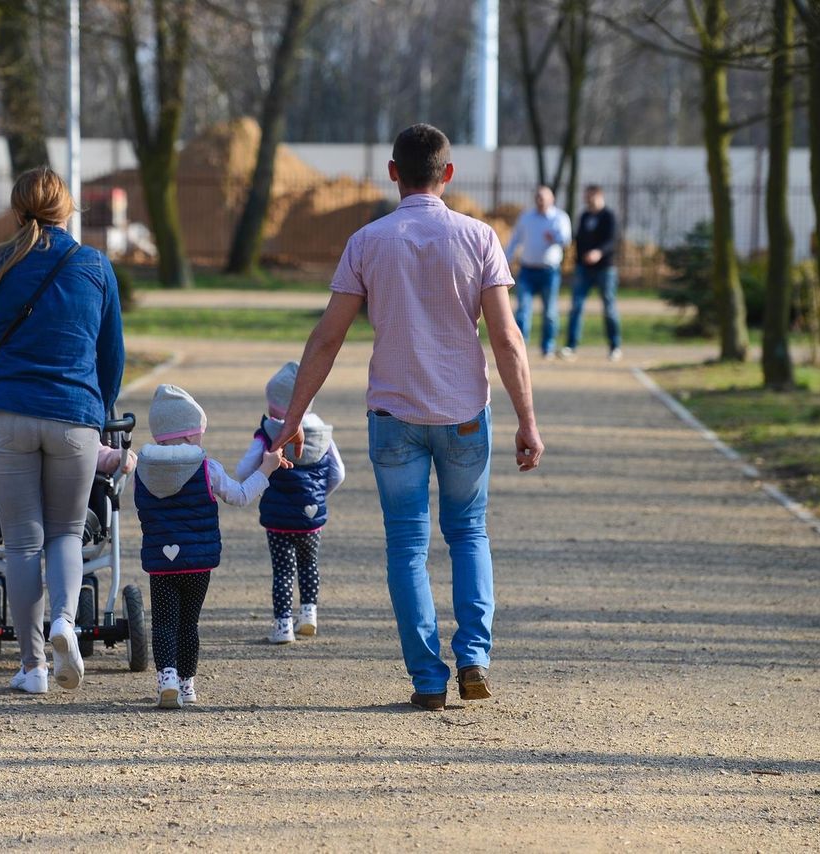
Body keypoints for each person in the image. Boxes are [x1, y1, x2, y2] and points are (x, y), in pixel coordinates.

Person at [269, 124, 545, 712]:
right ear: (448, 175)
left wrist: (294, 416)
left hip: (393, 415)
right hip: (466, 414)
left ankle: (426, 678)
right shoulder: (478, 238)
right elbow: (507, 338)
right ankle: (473, 656)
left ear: (393, 173)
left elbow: (326, 340)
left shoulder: (367, 242)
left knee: (406, 546)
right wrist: (527, 419)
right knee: (469, 533)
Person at [0, 166, 124, 696]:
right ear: (67, 208)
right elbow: (110, 354)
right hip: (75, 416)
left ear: (17, 209)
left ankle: (32, 668)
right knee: (66, 532)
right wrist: (101, 413)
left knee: (22, 542)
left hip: (7, 414)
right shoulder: (93, 264)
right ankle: (65, 623)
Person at [134, 384, 284, 709]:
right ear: (189, 436)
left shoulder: (143, 470)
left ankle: (167, 680)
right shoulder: (208, 469)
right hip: (197, 564)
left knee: (162, 623)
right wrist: (266, 469)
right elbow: (241, 496)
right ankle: (187, 685)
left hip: (160, 562)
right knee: (188, 623)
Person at [237, 361, 345, 644]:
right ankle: (309, 615)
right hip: (312, 518)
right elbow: (338, 473)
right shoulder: (323, 434)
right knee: (309, 564)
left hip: (278, 519)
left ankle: (283, 626)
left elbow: (243, 471)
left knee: (283, 571)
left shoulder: (267, 434)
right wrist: (319, 497)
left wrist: (260, 483)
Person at [503, 185, 571, 359]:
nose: (540, 200)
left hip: (549, 271)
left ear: (552, 199)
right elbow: (515, 240)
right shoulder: (526, 218)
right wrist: (505, 259)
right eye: (538, 197)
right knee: (523, 309)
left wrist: (554, 238)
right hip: (527, 270)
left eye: (543, 197)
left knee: (549, 312)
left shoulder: (559, 218)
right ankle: (520, 346)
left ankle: (548, 346)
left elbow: (566, 240)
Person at [561, 185, 622, 362]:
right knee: (576, 307)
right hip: (583, 269)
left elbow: (611, 241)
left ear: (599, 196)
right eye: (585, 197)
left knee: (609, 307)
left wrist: (598, 253)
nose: (587, 201)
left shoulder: (609, 216)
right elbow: (578, 239)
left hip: (605, 268)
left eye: (590, 197)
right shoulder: (585, 216)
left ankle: (614, 346)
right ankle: (571, 346)